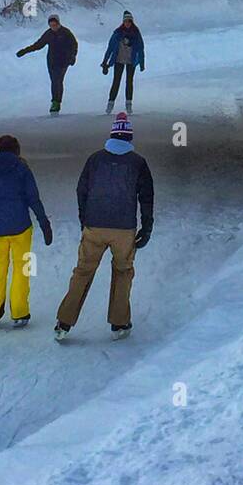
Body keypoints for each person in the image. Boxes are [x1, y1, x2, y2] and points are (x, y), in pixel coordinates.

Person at [54, 112, 154, 341]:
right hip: (124, 229)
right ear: (129, 137)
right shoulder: (138, 162)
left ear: (111, 135)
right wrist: (146, 228)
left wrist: (84, 219)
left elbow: (82, 190)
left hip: (94, 225)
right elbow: (146, 197)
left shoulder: (95, 159)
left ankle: (64, 323)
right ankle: (119, 324)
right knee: (122, 272)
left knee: (83, 271)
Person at [0, 134, 53, 329]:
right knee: (24, 267)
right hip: (21, 227)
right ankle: (20, 312)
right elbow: (33, 198)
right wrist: (44, 223)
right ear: (16, 149)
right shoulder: (22, 169)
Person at [16, 14, 78, 114]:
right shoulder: (48, 34)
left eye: (55, 25)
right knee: (54, 80)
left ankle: (56, 102)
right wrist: (24, 51)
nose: (53, 27)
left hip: (63, 60)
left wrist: (72, 56)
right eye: (51, 25)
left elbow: (74, 45)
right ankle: (55, 101)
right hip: (52, 61)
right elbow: (38, 45)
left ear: (58, 23)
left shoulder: (66, 32)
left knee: (57, 80)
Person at [101, 10, 144, 114]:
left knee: (129, 82)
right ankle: (110, 104)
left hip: (131, 61)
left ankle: (128, 104)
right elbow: (110, 48)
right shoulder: (117, 33)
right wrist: (105, 62)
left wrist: (142, 63)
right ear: (123, 22)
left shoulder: (136, 33)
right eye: (126, 21)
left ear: (132, 22)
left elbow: (140, 48)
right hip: (118, 60)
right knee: (116, 81)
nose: (127, 23)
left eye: (129, 21)